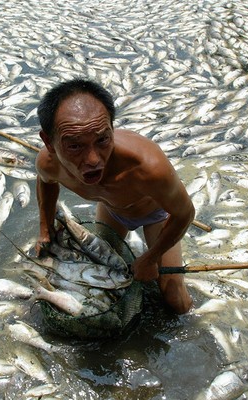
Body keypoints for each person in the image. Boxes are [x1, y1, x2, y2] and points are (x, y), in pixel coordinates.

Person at [35, 78, 194, 314]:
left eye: (102, 140)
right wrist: (45, 230)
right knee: (106, 278)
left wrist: (150, 258)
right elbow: (45, 183)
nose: (93, 160)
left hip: (155, 215)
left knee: (174, 299)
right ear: (49, 142)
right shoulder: (48, 164)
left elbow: (185, 214)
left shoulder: (148, 168)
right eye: (75, 146)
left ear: (111, 127)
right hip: (112, 211)